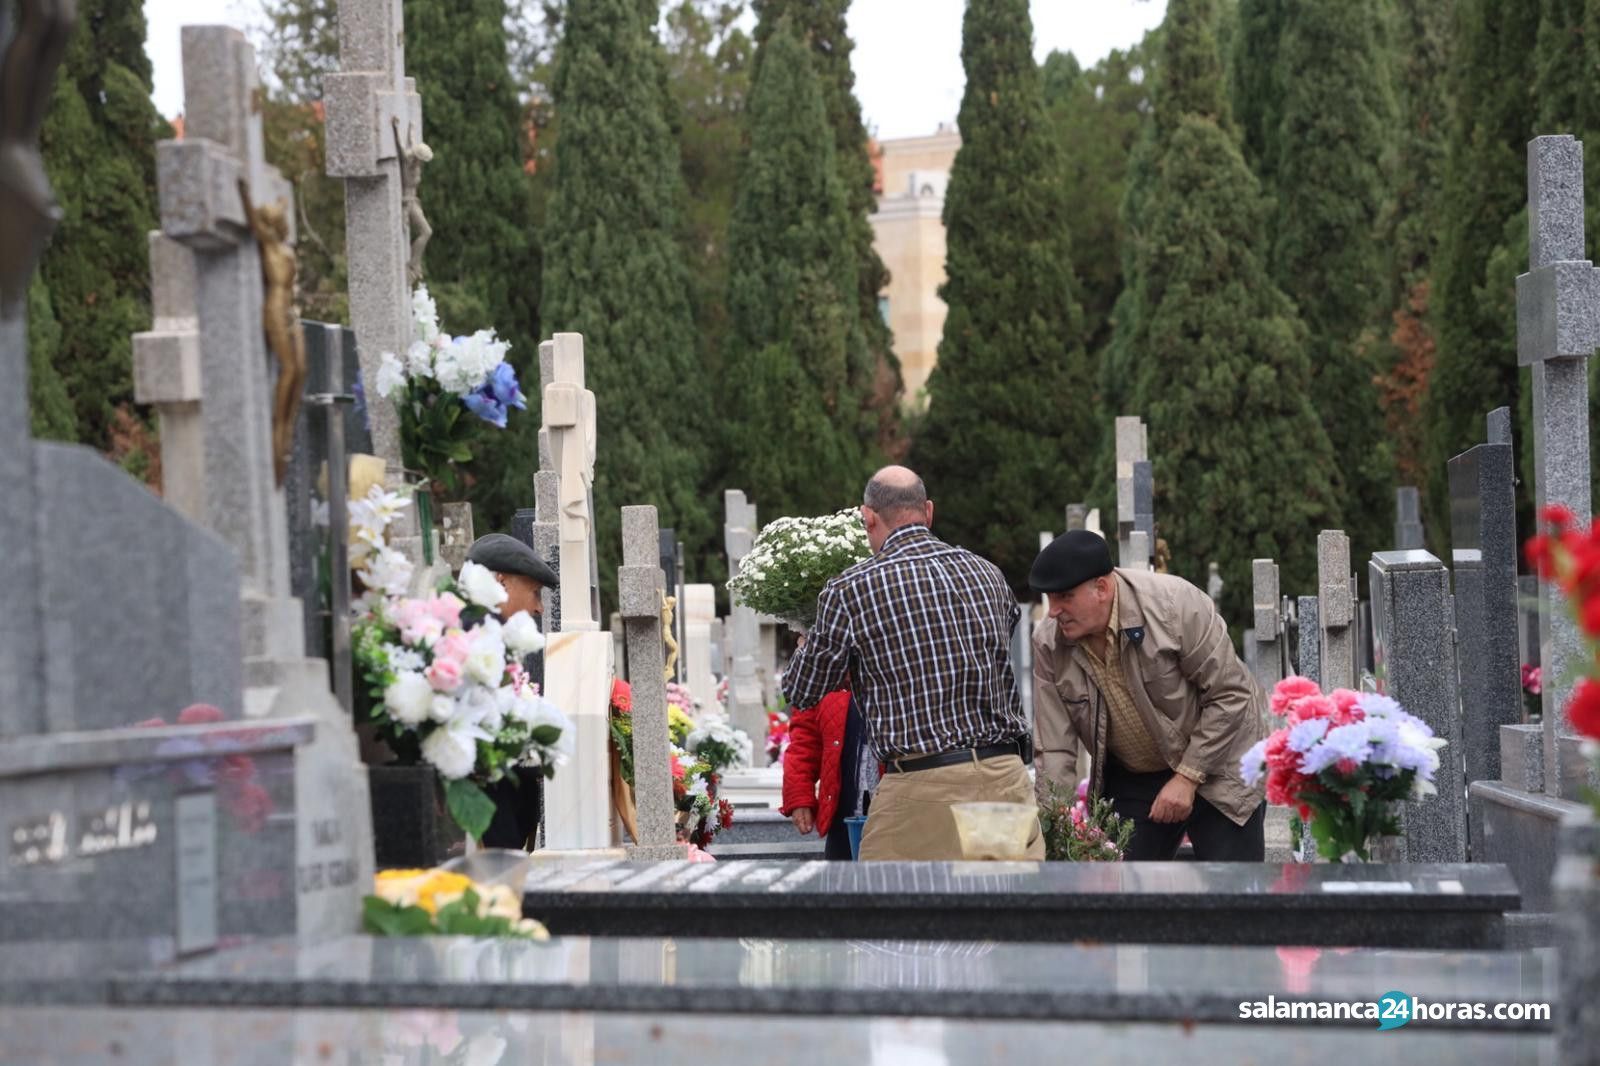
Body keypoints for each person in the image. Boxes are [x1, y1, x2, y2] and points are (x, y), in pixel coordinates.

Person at [781, 466, 1042, 861]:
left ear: (867, 518)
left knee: (889, 899)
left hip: (921, 787)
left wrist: (809, 642)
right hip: (1001, 779)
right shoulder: (988, 573)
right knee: (996, 898)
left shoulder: (851, 589)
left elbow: (802, 690)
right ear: (929, 511)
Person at [1029, 530, 1267, 860]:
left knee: (1233, 886)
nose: (1053, 611)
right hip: (1135, 776)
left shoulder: (1174, 605)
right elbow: (1055, 744)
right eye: (1049, 598)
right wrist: (1057, 827)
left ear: (1102, 588)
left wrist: (1187, 777)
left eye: (1064, 597)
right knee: (1120, 884)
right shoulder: (1049, 643)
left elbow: (1230, 694)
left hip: (1220, 761)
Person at [466, 533, 558, 851]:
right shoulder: (469, 638)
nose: (539, 608)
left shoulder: (494, 639)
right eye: (534, 592)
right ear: (501, 582)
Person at [780, 691, 878, 859]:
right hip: (843, 815)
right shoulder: (825, 679)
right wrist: (799, 796)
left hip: (901, 810)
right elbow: (805, 741)